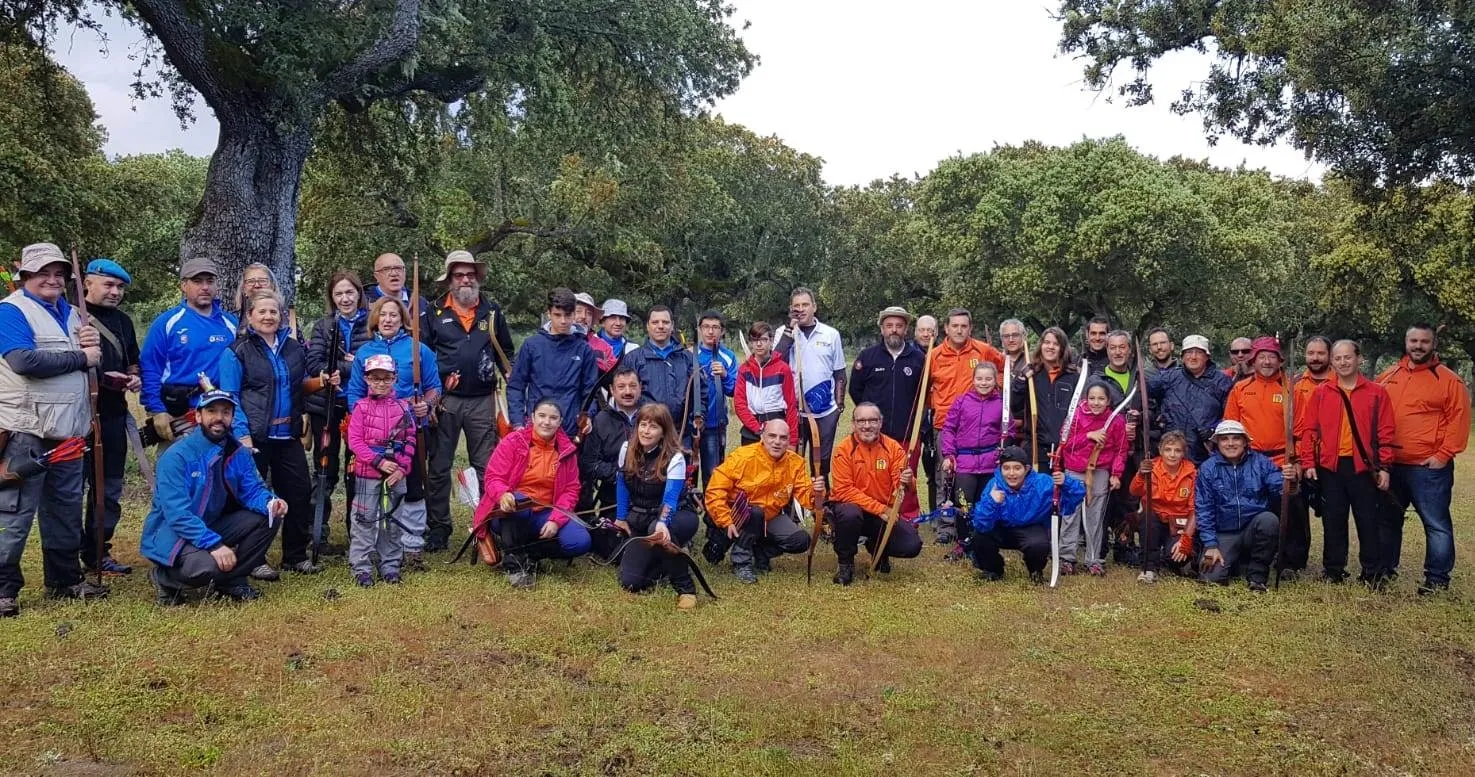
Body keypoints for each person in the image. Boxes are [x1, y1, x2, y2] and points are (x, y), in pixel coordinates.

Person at [0, 243, 110, 617]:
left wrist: (96, 357)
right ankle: (4, 589)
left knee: (64, 509)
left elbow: (88, 365)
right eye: (42, 273)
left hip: (68, 429)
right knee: (13, 513)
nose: (52, 279)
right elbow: (22, 361)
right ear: (25, 276)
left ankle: (65, 581)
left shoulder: (75, 314)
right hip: (26, 428)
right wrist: (82, 357)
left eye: (58, 273)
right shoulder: (12, 311)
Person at [141, 388, 287, 605]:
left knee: (269, 516)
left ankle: (230, 580)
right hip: (173, 533)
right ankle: (165, 578)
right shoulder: (176, 457)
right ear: (198, 416)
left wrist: (271, 502)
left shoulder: (236, 451)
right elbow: (177, 515)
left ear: (232, 417)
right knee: (206, 567)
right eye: (212, 411)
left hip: (211, 524)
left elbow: (253, 489)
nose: (219, 418)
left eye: (226, 412)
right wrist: (214, 545)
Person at [218, 290, 320, 579]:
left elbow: (299, 387)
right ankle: (254, 558)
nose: (268, 316)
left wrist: (322, 384)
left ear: (281, 315)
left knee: (299, 493)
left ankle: (295, 556)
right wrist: (242, 435)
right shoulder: (236, 351)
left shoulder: (293, 349)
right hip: (255, 436)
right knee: (253, 497)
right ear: (249, 316)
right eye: (261, 311)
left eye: (273, 311)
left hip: (287, 435)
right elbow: (230, 397)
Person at [422, 250, 516, 552]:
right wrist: (430, 390)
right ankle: (439, 529)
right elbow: (422, 358)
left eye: (470, 275)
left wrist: (514, 384)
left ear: (477, 278)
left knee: (488, 467)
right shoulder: (433, 312)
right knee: (439, 467)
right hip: (445, 401)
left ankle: (489, 525)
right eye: (459, 275)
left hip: (482, 400)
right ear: (450, 280)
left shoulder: (492, 311)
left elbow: (507, 354)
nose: (465, 280)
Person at [345, 296, 442, 570]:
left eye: (394, 315)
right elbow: (353, 393)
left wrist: (427, 404)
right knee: (368, 495)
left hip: (407, 433)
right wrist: (366, 417)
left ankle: (410, 546)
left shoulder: (418, 349)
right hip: (372, 441)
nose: (388, 319)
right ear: (376, 318)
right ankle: (368, 550)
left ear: (403, 319)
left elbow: (435, 387)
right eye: (383, 314)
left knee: (409, 486)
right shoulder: (365, 352)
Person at [1376, 323, 1469, 594]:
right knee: (1388, 521)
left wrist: (1443, 455)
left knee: (1436, 523)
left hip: (1427, 468)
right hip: (1391, 464)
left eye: (1424, 342)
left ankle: (1437, 580)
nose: (1418, 346)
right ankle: (1384, 570)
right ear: (1406, 343)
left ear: (1434, 344)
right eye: (1413, 341)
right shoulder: (1389, 375)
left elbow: (1459, 420)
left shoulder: (1449, 380)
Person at [1298, 340, 1396, 585]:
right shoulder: (1322, 393)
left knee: (1368, 521)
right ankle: (1333, 570)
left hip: (1362, 466)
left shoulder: (1376, 392)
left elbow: (1386, 432)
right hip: (1331, 467)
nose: (1343, 362)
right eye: (1338, 358)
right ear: (1332, 361)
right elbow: (1310, 429)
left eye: (1347, 357)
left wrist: (1384, 466)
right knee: (1333, 519)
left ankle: (1372, 572)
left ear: (1358, 359)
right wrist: (1309, 462)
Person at [473, 399, 591, 589]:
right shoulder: (513, 442)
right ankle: (515, 566)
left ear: (560, 422)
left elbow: (571, 489)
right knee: (519, 500)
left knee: (580, 542)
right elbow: (493, 477)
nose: (547, 422)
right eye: (542, 416)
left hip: (545, 513)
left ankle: (530, 553)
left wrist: (556, 520)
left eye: (553, 418)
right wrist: (503, 495)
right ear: (532, 418)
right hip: (510, 511)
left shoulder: (567, 450)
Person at [1222, 336, 1310, 580]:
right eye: (1262, 357)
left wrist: (1298, 461)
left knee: (1290, 508)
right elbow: (1230, 427)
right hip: (1250, 460)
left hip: (1282, 459)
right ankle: (1249, 558)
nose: (1267, 361)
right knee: (1250, 509)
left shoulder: (1290, 390)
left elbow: (1301, 429)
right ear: (1253, 360)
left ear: (1280, 360)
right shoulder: (1240, 389)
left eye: (1272, 356)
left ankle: (1290, 563)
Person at [79, 258, 142, 577]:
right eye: (109, 284)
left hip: (113, 416)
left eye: (120, 287)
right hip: (75, 417)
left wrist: (133, 378)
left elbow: (134, 362)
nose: (115, 291)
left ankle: (97, 551)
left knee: (109, 488)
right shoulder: (70, 315)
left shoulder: (123, 322)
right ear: (88, 283)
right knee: (69, 490)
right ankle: (64, 557)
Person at [704, 419, 824, 584]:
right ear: (762, 437)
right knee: (755, 512)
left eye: (783, 438)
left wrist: (817, 492)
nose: (777, 442)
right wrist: (725, 520)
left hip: (770, 516)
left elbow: (807, 497)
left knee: (801, 541)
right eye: (772, 436)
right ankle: (741, 562)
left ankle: (759, 552)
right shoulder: (742, 457)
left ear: (789, 441)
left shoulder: (795, 463)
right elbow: (714, 490)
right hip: (739, 515)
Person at [140, 256, 239, 451]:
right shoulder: (167, 323)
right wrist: (157, 410)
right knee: (177, 477)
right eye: (197, 281)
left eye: (210, 281)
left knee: (221, 477)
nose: (204, 287)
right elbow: (150, 368)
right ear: (183, 286)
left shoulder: (231, 324)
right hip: (180, 417)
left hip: (221, 416)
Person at [303, 270, 371, 550]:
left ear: (358, 294)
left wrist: (347, 366)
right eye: (339, 293)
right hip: (326, 406)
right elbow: (315, 363)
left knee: (358, 469)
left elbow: (374, 364)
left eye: (350, 292)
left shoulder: (372, 324)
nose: (345, 298)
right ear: (332, 297)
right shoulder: (324, 326)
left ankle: (357, 531)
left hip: (359, 408)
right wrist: (351, 365)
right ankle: (318, 532)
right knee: (325, 466)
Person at [927, 308, 1004, 543]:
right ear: (946, 329)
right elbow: (923, 387)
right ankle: (946, 527)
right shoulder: (935, 355)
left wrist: (996, 389)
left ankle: (980, 523)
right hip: (945, 425)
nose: (959, 330)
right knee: (945, 476)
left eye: (964, 326)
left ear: (970, 328)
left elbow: (1003, 369)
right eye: (955, 326)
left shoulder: (983, 350)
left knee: (978, 480)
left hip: (981, 426)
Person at [614, 404, 701, 608]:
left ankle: (686, 588)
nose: (646, 431)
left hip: (678, 515)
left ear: (663, 431)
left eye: (653, 427)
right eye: (642, 425)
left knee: (658, 532)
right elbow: (622, 483)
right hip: (642, 517)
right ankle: (664, 562)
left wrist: (663, 522)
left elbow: (670, 498)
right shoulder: (626, 449)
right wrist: (621, 516)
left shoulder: (675, 457)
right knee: (631, 582)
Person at [1195, 420, 1296, 591]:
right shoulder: (1207, 469)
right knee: (1211, 577)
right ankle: (1236, 563)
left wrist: (1290, 480)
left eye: (1236, 438)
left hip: (1253, 527)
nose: (1231, 443)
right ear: (1217, 443)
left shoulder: (1261, 462)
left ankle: (1257, 576)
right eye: (1224, 439)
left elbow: (1279, 489)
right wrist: (1211, 545)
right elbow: (1204, 508)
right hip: (1224, 531)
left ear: (1245, 441)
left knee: (1269, 520)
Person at [344, 354, 417, 587]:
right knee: (364, 520)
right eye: (375, 378)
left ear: (395, 378)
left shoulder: (403, 408)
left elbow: (410, 439)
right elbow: (355, 442)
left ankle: (390, 564)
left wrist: (402, 469)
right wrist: (377, 462)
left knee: (392, 521)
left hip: (395, 474)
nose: (381, 383)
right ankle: (361, 567)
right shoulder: (361, 408)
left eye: (386, 378)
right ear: (367, 379)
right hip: (368, 473)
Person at [828, 402, 922, 584]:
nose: (867, 425)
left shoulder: (893, 448)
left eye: (872, 420)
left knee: (911, 545)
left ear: (881, 422)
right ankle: (845, 564)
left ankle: (877, 548)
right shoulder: (843, 450)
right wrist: (881, 509)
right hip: (855, 512)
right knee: (849, 513)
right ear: (853, 424)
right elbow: (844, 490)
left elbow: (901, 484)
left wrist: (908, 479)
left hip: (881, 515)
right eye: (861, 421)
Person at [968, 446, 1085, 583]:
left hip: (1030, 528)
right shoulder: (994, 485)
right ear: (1000, 469)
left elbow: (1075, 498)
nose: (1011, 473)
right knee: (979, 536)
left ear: (1027, 469)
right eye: (1006, 468)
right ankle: (993, 570)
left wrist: (1067, 483)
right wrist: (992, 502)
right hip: (1002, 528)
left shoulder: (1043, 483)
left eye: (1017, 468)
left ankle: (1035, 571)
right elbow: (980, 523)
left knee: (1039, 545)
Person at [507, 288, 600, 438]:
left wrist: (588, 415)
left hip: (569, 429)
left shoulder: (584, 349)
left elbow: (590, 391)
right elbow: (516, 386)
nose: (563, 321)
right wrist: (517, 422)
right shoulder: (532, 345)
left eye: (568, 315)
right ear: (549, 313)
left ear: (574, 314)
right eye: (557, 315)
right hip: (536, 427)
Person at [1057, 383, 1128, 576]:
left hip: (1100, 471)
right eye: (1092, 398)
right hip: (1074, 470)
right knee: (1071, 515)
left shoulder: (1116, 420)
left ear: (1108, 401)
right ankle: (1067, 558)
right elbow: (1065, 443)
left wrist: (1116, 474)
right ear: (1086, 399)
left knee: (1095, 517)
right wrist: (1088, 435)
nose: (1096, 403)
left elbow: (1120, 450)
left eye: (1101, 399)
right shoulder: (1075, 416)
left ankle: (1094, 559)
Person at [774, 287, 847, 476]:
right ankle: (792, 504)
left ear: (814, 307)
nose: (801, 309)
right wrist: (790, 329)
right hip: (793, 410)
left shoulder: (830, 334)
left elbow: (839, 373)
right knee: (791, 462)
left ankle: (821, 502)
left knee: (821, 463)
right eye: (796, 306)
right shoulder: (784, 332)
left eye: (805, 305)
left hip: (824, 412)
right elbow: (775, 362)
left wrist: (838, 408)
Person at [939, 362, 1004, 559]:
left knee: (985, 502)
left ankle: (982, 542)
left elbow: (1007, 432)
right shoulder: (962, 401)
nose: (983, 383)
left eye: (988, 379)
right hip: (965, 460)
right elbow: (949, 428)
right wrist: (949, 455)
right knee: (963, 503)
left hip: (990, 461)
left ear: (995, 381)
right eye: (980, 378)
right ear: (973, 379)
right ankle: (963, 542)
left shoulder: (1002, 404)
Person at [621, 306, 706, 446]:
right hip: (645, 436)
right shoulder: (633, 359)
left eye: (665, 322)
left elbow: (701, 393)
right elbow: (625, 397)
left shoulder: (688, 359)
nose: (660, 326)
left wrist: (697, 419)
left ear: (672, 326)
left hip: (681, 434)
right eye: (655, 322)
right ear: (647, 326)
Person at [1286, 335, 1333, 573]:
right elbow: (1289, 427)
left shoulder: (1340, 382)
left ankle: (1333, 565)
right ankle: (1295, 562)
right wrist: (1295, 458)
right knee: (1297, 510)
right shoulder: (1294, 384)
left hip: (1332, 458)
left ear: (1329, 355)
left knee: (1333, 512)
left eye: (1320, 353)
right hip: (1302, 458)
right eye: (1311, 353)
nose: (1315, 358)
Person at [1148, 334, 1233, 463]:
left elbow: (1231, 415)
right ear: (1182, 356)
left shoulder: (1222, 382)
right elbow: (1143, 392)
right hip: (1172, 452)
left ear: (1207, 357)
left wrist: (1214, 429)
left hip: (1206, 453)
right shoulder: (1168, 378)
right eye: (1189, 352)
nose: (1193, 357)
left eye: (1198, 352)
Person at [849, 306, 925, 445]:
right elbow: (855, 389)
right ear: (882, 329)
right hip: (873, 435)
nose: (894, 330)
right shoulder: (867, 356)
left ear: (906, 329)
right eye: (889, 326)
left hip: (906, 436)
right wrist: (869, 415)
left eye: (899, 326)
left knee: (905, 468)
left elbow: (923, 395)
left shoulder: (919, 359)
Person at [1129, 431, 1198, 582]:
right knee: (1148, 517)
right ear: (1160, 450)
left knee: (1176, 557)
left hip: (1178, 524)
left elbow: (1195, 509)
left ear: (1183, 453)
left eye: (1177, 450)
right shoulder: (1150, 467)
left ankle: (1177, 560)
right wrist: (1141, 474)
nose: (1172, 455)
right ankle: (1149, 568)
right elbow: (1134, 491)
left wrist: (1186, 539)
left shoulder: (1192, 474)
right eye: (1168, 449)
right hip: (1154, 520)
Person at [1011, 327, 1082, 471]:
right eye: (1047, 342)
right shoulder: (1031, 375)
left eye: (1055, 344)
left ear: (1062, 348)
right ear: (1041, 346)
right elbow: (1013, 405)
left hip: (1065, 450)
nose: (1050, 347)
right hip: (1036, 449)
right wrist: (1021, 380)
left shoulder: (1073, 377)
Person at [579, 367, 643, 522]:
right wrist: (619, 474)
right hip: (613, 497)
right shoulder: (601, 420)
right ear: (612, 390)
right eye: (621, 387)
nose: (627, 392)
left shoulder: (652, 416)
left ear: (641, 387)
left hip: (649, 497)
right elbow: (588, 463)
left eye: (632, 386)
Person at [733, 321, 798, 446]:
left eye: (763, 339)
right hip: (752, 431)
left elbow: (791, 405)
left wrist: (793, 440)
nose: (758, 344)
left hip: (777, 429)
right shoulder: (744, 369)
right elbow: (740, 404)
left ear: (771, 341)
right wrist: (758, 429)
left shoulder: (782, 369)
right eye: (754, 340)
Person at [695, 310, 738, 487]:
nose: (710, 331)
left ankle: (711, 512)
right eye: (706, 327)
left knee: (713, 474)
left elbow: (734, 390)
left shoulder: (728, 357)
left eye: (715, 327)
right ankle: (688, 511)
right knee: (687, 471)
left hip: (715, 425)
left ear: (722, 331)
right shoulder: (689, 355)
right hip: (692, 424)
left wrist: (725, 375)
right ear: (699, 329)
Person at [913, 315, 941, 512]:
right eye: (921, 330)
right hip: (913, 418)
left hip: (937, 416)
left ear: (936, 332)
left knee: (935, 465)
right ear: (915, 331)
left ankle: (936, 512)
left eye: (929, 330)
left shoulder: (943, 353)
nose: (925, 334)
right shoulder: (907, 353)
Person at [364, 252, 430, 328]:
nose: (394, 273)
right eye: (386, 269)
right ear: (376, 276)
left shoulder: (421, 304)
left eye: (398, 268)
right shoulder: (364, 303)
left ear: (404, 272)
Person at [572, 293, 617, 373]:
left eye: (589, 313)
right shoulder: (556, 341)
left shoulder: (604, 347)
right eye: (578, 311)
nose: (583, 316)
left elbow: (613, 375)